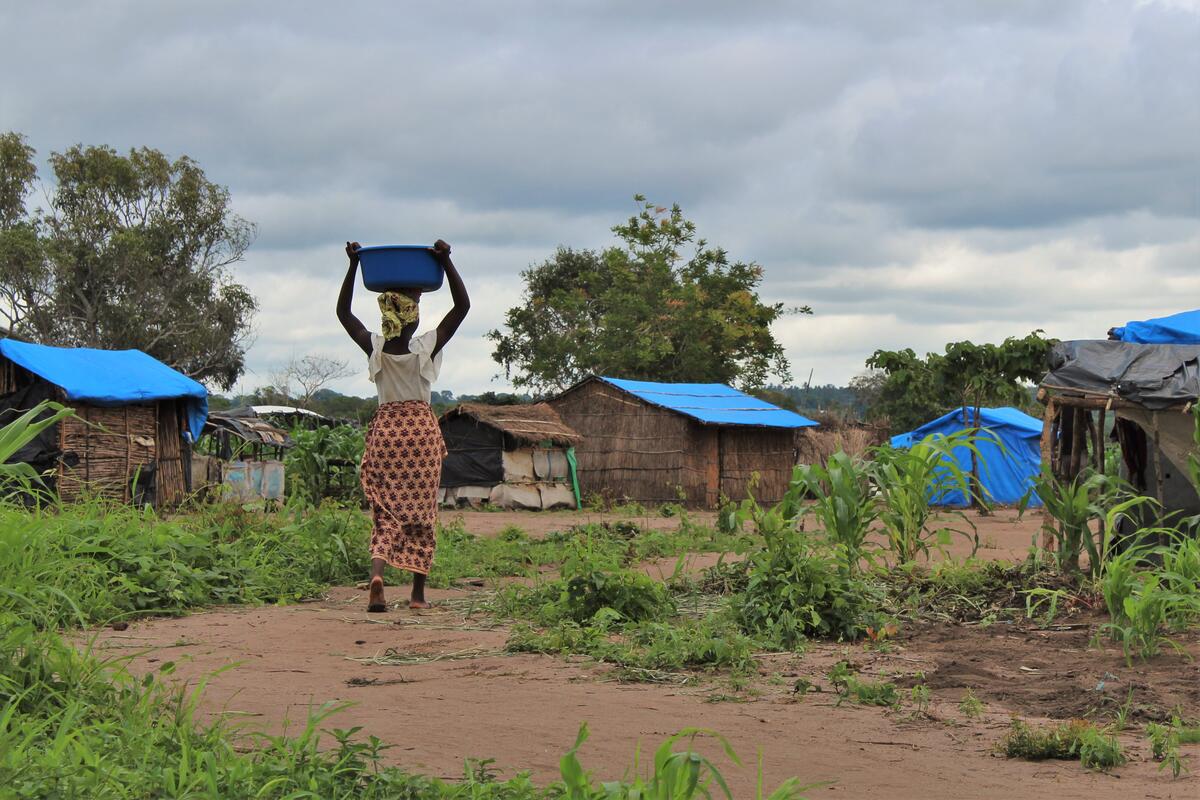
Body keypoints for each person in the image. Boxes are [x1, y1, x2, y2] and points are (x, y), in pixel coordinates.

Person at [337, 239, 470, 611]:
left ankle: (377, 575)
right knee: (422, 514)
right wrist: (446, 262)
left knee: (386, 512)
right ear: (412, 317)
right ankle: (416, 596)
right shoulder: (424, 347)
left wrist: (352, 266)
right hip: (420, 435)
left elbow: (343, 313)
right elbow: (463, 306)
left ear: (386, 317)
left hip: (386, 433)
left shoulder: (376, 348)